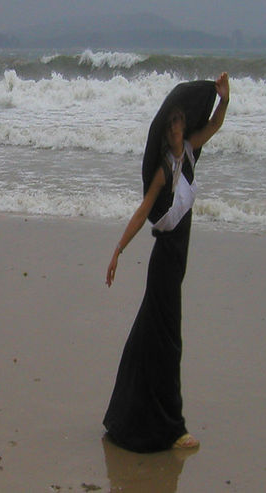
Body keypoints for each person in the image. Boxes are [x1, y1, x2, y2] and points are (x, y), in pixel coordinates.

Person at [103, 73, 230, 452]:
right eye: (171, 124)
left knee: (151, 337)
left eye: (179, 122)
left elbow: (215, 125)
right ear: (165, 131)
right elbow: (144, 211)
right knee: (168, 342)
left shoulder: (190, 151)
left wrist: (224, 98)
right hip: (164, 264)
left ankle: (127, 416)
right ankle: (174, 428)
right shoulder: (162, 170)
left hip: (177, 262)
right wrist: (118, 249)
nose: (176, 128)